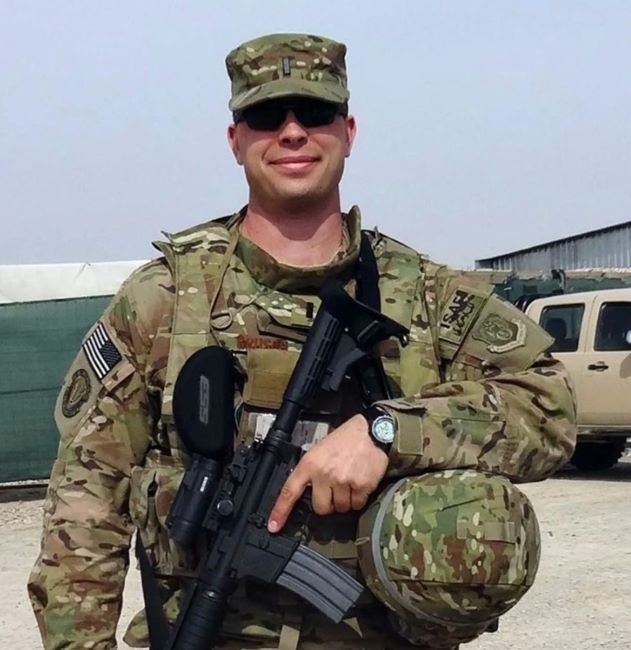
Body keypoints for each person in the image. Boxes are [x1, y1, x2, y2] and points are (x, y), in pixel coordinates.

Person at [28, 33, 577, 650]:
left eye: (314, 112)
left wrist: (387, 433)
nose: (292, 133)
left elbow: (550, 405)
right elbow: (85, 504)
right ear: (235, 140)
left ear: (348, 131)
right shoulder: (165, 298)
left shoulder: (424, 295)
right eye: (266, 116)